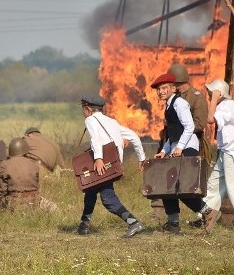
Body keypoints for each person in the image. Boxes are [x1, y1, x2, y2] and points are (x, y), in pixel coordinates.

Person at [76, 94, 146, 238]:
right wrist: (141, 158)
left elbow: (95, 138)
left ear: (88, 109)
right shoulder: (112, 122)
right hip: (114, 164)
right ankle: (83, 225)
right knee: (90, 190)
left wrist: (98, 159)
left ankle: (134, 222)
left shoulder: (90, 120)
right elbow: (134, 136)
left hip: (103, 164)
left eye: (83, 109)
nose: (83, 112)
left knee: (108, 199)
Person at [194, 79, 234, 233]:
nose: (210, 96)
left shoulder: (226, 106)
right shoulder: (224, 106)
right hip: (225, 151)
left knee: (233, 185)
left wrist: (216, 98)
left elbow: (210, 120)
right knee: (214, 184)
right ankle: (204, 216)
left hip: (232, 152)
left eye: (212, 93)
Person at [151, 73, 203, 234]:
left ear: (173, 88)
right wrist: (164, 151)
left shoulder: (180, 103)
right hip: (177, 148)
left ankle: (207, 212)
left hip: (187, 147)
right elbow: (172, 133)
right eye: (159, 89)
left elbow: (189, 127)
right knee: (167, 186)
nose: (161, 91)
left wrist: (180, 148)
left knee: (180, 187)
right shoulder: (169, 105)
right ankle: (173, 223)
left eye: (164, 88)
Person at [167, 63, 212, 164]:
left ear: (176, 82)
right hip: (174, 143)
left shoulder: (197, 98)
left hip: (191, 146)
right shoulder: (175, 97)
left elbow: (199, 124)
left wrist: (179, 127)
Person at [0, 137, 41, 211]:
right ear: (25, 150)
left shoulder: (5, 165)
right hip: (34, 203)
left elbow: (2, 191)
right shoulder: (34, 164)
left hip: (15, 204)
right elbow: (37, 185)